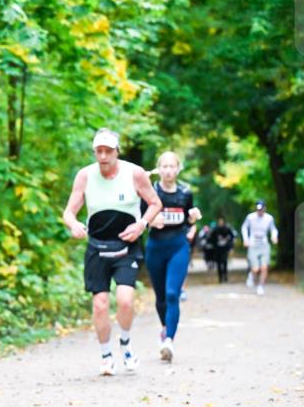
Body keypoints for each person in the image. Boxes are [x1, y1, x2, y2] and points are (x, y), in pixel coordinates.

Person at [63, 128, 161, 376]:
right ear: (95, 152)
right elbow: (69, 212)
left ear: (117, 151)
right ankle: (106, 355)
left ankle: (125, 343)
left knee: (126, 300)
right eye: (99, 151)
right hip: (97, 247)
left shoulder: (135, 173)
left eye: (108, 151)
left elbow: (155, 203)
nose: (103, 156)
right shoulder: (85, 176)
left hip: (127, 247)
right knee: (100, 305)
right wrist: (74, 224)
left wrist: (141, 225)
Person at [141, 152, 201, 363]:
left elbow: (189, 219)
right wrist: (150, 220)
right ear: (159, 169)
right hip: (155, 247)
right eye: (164, 166)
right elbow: (139, 218)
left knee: (172, 293)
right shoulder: (150, 191)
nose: (167, 170)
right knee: (160, 298)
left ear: (178, 169)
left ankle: (169, 341)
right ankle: (165, 328)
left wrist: (194, 220)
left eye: (171, 166)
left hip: (178, 246)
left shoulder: (185, 192)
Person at [241, 199, 278, 296]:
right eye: (258, 210)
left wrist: (274, 236)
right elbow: (244, 227)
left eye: (261, 210)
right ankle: (251, 275)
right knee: (255, 268)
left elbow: (273, 229)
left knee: (264, 267)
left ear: (265, 209)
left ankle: (260, 286)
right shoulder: (250, 217)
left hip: (264, 244)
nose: (260, 212)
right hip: (253, 244)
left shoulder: (269, 218)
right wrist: (246, 239)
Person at [208, 216, 236, 283]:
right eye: (219, 222)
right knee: (218, 263)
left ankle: (225, 276)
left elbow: (232, 236)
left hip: (225, 249)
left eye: (222, 221)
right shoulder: (215, 229)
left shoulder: (227, 228)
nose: (221, 223)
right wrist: (215, 243)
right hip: (217, 249)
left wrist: (228, 241)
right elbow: (211, 238)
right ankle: (220, 278)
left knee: (224, 262)